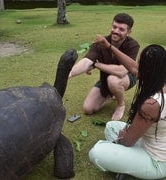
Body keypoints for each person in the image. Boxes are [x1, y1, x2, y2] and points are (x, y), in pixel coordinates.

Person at [89, 36, 166, 179]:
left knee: (96, 152)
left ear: (146, 71)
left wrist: (122, 137)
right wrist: (109, 46)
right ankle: (127, 163)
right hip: (150, 140)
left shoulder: (152, 104)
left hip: (158, 161)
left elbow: (127, 141)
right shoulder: (160, 79)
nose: (136, 67)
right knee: (111, 126)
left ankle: (127, 166)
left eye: (140, 65)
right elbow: (132, 67)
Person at [69, 13, 140, 120]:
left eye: (121, 29)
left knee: (113, 80)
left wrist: (96, 64)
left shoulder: (132, 45)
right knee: (88, 108)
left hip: (127, 78)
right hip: (105, 79)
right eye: (114, 27)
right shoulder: (100, 43)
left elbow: (121, 71)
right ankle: (110, 94)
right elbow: (86, 62)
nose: (116, 31)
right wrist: (67, 74)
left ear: (128, 32)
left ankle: (121, 105)